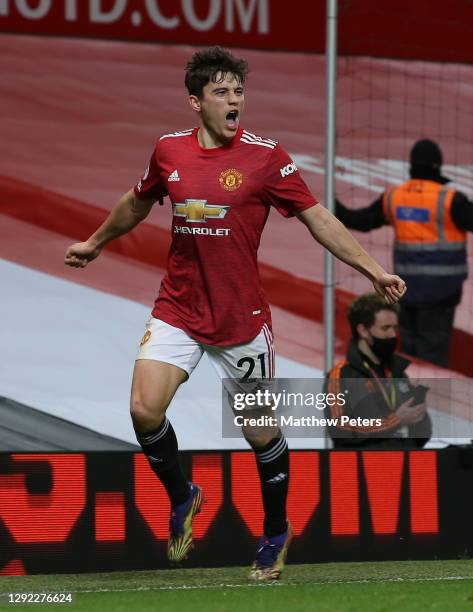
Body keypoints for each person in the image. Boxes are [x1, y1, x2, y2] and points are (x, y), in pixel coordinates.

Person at [64, 47, 405, 581]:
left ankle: (273, 533)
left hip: (242, 322)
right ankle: (185, 495)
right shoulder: (168, 150)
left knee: (259, 433)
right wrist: (95, 241)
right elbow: (138, 201)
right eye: (222, 92)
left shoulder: (266, 157)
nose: (234, 101)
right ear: (195, 102)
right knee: (143, 410)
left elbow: (319, 219)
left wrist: (372, 271)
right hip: (178, 308)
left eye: (239, 92)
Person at [336, 139, 473, 367]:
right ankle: (427, 399)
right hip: (442, 294)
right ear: (438, 165)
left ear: (411, 166)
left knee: (407, 349)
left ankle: (405, 392)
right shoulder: (450, 200)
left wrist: (330, 203)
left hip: (403, 289)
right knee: (432, 356)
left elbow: (358, 220)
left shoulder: (394, 197)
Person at [325, 293, 432, 448]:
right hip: (365, 469)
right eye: (385, 328)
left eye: (395, 328)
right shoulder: (341, 375)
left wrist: (419, 413)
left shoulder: (398, 372)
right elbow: (339, 430)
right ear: (363, 331)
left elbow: (422, 436)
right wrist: (394, 421)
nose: (393, 334)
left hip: (404, 465)